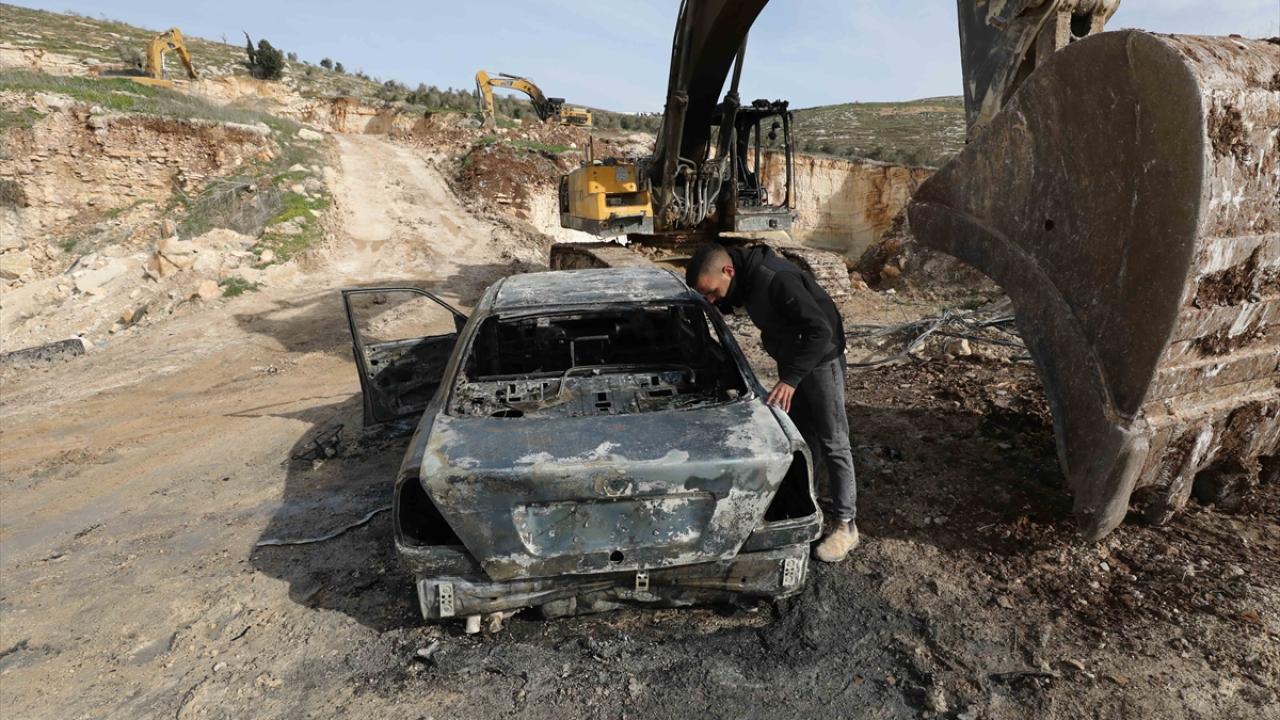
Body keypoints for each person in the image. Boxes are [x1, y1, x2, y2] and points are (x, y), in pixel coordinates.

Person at [686, 242, 859, 562]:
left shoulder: (776, 279)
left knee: (833, 440)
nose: (711, 299)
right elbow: (731, 300)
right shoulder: (744, 279)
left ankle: (846, 525)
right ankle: (808, 503)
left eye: (711, 292)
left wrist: (790, 380)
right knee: (803, 437)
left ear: (728, 271)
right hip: (793, 360)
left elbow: (820, 331)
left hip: (821, 360)